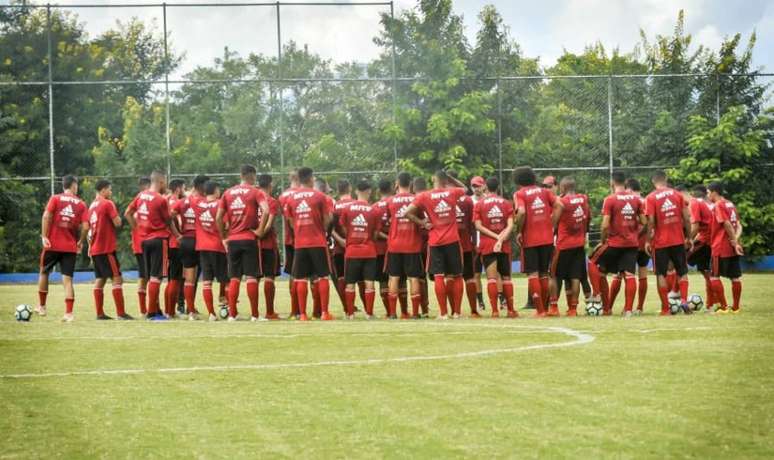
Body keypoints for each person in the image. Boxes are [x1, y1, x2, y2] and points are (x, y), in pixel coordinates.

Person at [405, 170, 468, 319]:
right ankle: (457, 312)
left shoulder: (424, 196)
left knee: (439, 276)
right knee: (457, 276)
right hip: (453, 240)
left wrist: (422, 223)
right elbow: (465, 189)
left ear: (433, 179)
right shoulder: (452, 192)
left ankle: (443, 313)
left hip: (435, 241)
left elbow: (407, 213)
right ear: (445, 181)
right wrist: (451, 178)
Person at [216, 164, 269, 321]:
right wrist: (260, 230)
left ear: (241, 175)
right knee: (252, 277)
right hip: (249, 239)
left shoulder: (228, 193)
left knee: (234, 278)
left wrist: (223, 236)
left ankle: (232, 315)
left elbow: (218, 218)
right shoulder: (255, 192)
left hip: (233, 240)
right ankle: (254, 315)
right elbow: (266, 210)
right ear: (251, 175)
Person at [125, 171, 180, 320]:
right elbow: (169, 221)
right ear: (161, 182)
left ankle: (155, 309)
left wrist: (137, 228)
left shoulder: (141, 195)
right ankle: (152, 313)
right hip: (159, 240)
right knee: (157, 277)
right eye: (165, 182)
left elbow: (127, 213)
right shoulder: (160, 200)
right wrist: (178, 236)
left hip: (144, 241)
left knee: (150, 277)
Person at [590, 172, 645, 317]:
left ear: (612, 183)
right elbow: (645, 222)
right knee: (629, 274)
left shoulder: (610, 199)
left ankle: (603, 304)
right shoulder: (636, 199)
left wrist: (602, 241)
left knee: (593, 264)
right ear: (625, 182)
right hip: (632, 244)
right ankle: (628, 310)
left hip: (614, 243)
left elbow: (605, 225)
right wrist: (635, 235)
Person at [284, 167, 335, 321]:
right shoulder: (320, 196)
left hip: (300, 243)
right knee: (323, 277)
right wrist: (320, 229)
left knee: (300, 278)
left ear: (299, 179)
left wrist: (300, 230)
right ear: (311, 178)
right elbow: (327, 220)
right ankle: (325, 313)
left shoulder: (291, 198)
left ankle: (303, 314)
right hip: (318, 242)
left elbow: (291, 222)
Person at [37, 175, 88, 321]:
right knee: (67, 280)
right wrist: (80, 241)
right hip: (69, 247)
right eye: (76, 185)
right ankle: (69, 313)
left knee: (44, 272)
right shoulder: (81, 203)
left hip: (52, 244)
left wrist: (44, 236)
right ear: (73, 185)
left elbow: (46, 216)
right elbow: (85, 227)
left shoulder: (55, 198)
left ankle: (41, 307)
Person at [513, 167, 563, 317]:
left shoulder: (519, 194)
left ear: (518, 180)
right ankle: (546, 309)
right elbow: (560, 205)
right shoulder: (545, 192)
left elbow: (521, 212)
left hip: (531, 239)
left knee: (533, 274)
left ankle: (540, 310)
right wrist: (552, 224)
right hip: (547, 238)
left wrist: (519, 230)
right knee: (544, 274)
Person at [645, 170, 693, 315]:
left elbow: (651, 221)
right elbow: (686, 218)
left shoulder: (651, 197)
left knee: (661, 274)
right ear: (666, 180)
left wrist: (648, 240)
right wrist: (689, 237)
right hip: (678, 240)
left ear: (654, 182)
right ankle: (684, 301)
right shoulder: (677, 195)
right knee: (682, 271)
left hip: (660, 242)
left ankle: (665, 308)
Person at [87, 179, 131, 320]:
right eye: (110, 190)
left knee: (100, 279)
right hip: (106, 248)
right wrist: (119, 217)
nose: (111, 192)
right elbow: (117, 222)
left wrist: (89, 246)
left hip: (95, 248)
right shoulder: (107, 203)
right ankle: (121, 313)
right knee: (117, 278)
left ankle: (99, 314)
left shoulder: (91, 206)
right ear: (103, 190)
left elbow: (89, 229)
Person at [338, 180, 382, 319]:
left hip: (352, 251)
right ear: (369, 192)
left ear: (356, 191)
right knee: (369, 282)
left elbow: (344, 228)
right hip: (369, 251)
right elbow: (375, 234)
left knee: (350, 283)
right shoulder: (374, 210)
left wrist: (352, 236)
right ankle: (369, 313)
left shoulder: (347, 209)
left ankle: (350, 314)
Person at [473, 176, 516, 317]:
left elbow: (478, 226)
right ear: (498, 187)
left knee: (491, 279)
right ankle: (510, 310)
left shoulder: (480, 204)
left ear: (485, 187)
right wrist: (501, 238)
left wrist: (495, 237)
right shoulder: (506, 203)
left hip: (487, 244)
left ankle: (494, 311)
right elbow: (510, 225)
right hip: (503, 245)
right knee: (506, 278)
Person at [385, 172, 425, 319]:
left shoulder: (390, 201)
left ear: (397, 183)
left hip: (394, 244)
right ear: (411, 184)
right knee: (413, 278)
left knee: (394, 277)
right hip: (412, 244)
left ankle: (392, 313)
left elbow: (388, 221)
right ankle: (415, 314)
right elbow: (423, 220)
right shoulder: (417, 199)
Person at [551, 177, 590, 316]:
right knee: (575, 276)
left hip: (564, 244)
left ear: (562, 188)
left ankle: (554, 307)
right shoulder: (583, 199)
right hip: (579, 243)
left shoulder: (561, 202)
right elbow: (588, 217)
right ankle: (573, 308)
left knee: (555, 275)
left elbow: (553, 222)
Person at [172, 174, 208, 318]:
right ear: (201, 186)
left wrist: (177, 234)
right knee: (201, 277)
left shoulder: (183, 201)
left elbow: (170, 216)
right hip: (199, 241)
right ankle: (190, 308)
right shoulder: (203, 201)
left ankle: (190, 310)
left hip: (185, 241)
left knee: (188, 278)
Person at [707, 182, 743, 313]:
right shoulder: (730, 204)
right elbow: (739, 225)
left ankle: (723, 307)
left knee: (714, 277)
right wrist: (735, 242)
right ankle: (736, 307)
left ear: (714, 192)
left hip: (720, 247)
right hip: (732, 247)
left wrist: (733, 240)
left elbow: (727, 224)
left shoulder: (718, 205)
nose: (707, 195)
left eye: (708, 192)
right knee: (735, 277)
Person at [195, 181, 229, 321]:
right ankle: (228, 308)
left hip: (203, 247)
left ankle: (211, 314)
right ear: (216, 190)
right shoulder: (220, 204)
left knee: (207, 282)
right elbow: (226, 224)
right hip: (218, 246)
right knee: (226, 280)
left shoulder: (198, 203)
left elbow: (188, 198)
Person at [453, 175, 479, 316]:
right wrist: (474, 242)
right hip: (467, 244)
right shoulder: (468, 200)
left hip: (450, 245)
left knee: (452, 277)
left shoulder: (444, 199)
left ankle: (454, 311)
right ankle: (474, 310)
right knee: (469, 277)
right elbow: (473, 224)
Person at [257, 173, 281, 320]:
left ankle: (254, 312)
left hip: (253, 245)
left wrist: (254, 235)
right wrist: (261, 233)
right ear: (270, 185)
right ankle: (269, 312)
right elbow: (269, 223)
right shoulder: (271, 201)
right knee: (269, 277)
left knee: (254, 278)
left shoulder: (253, 201)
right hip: (268, 244)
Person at [688, 184, 715, 311]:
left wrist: (688, 240)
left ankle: (674, 300)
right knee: (707, 272)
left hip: (704, 241)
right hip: (712, 241)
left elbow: (696, 226)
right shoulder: (711, 204)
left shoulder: (694, 203)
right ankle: (712, 303)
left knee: (676, 262)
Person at [625, 178, 650, 313]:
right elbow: (649, 222)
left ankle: (624, 307)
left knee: (624, 275)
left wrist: (635, 235)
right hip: (645, 243)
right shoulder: (647, 200)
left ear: (629, 188)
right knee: (643, 273)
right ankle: (639, 308)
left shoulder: (630, 201)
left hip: (631, 242)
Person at [279, 171, 300, 318]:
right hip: (304, 239)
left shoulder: (282, 196)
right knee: (312, 276)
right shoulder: (306, 194)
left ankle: (295, 310)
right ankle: (316, 310)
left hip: (289, 240)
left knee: (294, 275)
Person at [331, 179, 354, 310]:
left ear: (337, 190)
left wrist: (340, 240)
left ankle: (347, 309)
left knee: (341, 277)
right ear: (350, 188)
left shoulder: (335, 206)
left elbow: (330, 228)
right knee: (362, 279)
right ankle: (368, 310)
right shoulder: (357, 204)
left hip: (340, 248)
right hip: (357, 247)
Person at [164, 179, 186, 317]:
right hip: (175, 244)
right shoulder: (174, 202)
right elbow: (173, 220)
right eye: (184, 188)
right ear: (178, 189)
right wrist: (178, 235)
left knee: (174, 278)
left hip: (170, 243)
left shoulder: (168, 200)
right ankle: (171, 311)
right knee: (175, 279)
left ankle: (170, 310)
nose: (185, 190)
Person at [131, 176, 151, 315]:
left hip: (139, 245)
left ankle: (144, 309)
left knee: (144, 276)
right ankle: (145, 310)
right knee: (147, 277)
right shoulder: (143, 199)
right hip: (145, 244)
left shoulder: (138, 200)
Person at [470, 175, 489, 310]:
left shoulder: (489, 200)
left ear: (484, 186)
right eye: (474, 186)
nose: (476, 189)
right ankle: (480, 301)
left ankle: (501, 299)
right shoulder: (469, 201)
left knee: (493, 273)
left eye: (478, 185)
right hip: (474, 242)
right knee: (476, 274)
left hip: (488, 241)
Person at [412, 176, 431, 317]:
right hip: (433, 240)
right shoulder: (432, 197)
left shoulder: (415, 200)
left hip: (418, 241)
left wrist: (421, 223)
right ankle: (426, 307)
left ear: (414, 188)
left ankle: (421, 308)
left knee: (418, 276)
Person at [374, 179, 393, 315]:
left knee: (383, 280)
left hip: (379, 249)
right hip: (395, 247)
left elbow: (374, 231)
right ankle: (403, 311)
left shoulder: (374, 207)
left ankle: (388, 311)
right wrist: (392, 237)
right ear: (391, 188)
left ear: (379, 191)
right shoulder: (395, 203)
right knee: (400, 278)